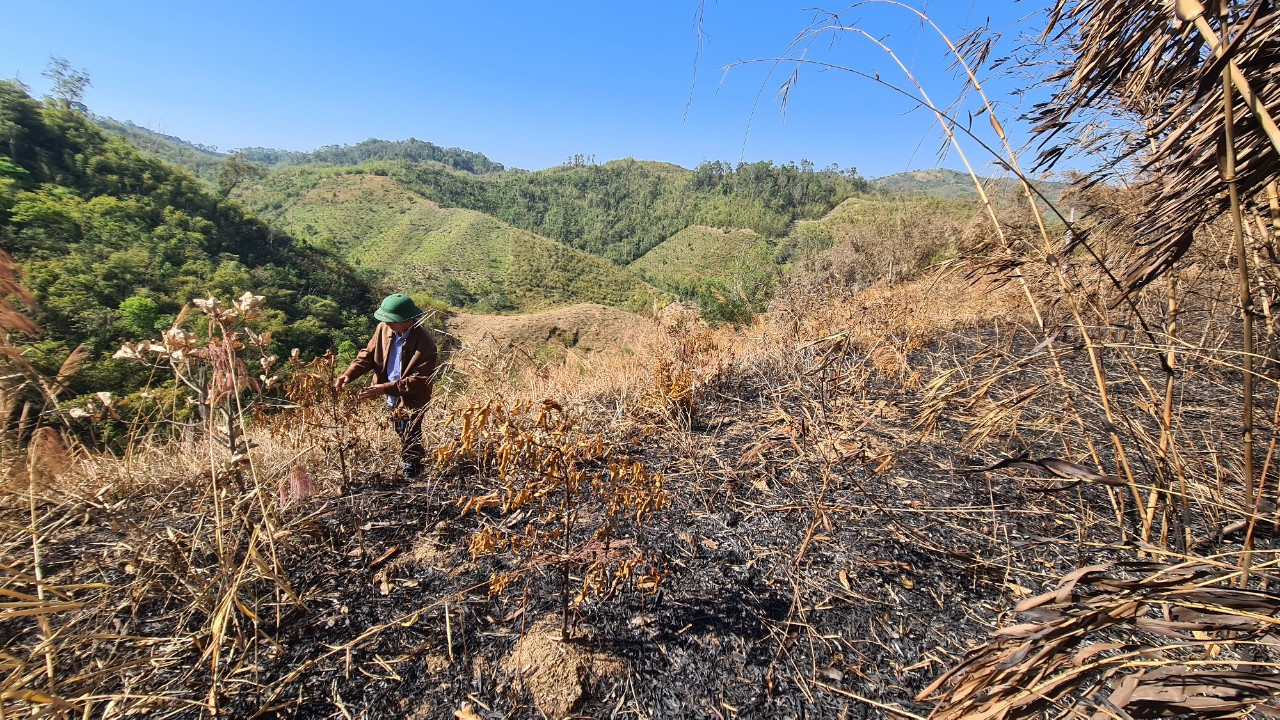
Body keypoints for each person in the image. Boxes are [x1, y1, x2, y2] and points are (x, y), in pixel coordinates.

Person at [334, 293, 438, 478]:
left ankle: (412, 467)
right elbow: (367, 355)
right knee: (399, 427)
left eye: (392, 320)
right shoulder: (383, 329)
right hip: (390, 391)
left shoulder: (425, 342)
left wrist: (383, 388)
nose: (388, 323)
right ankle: (412, 460)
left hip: (412, 395)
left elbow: (420, 380)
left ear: (406, 320)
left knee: (410, 429)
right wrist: (348, 374)